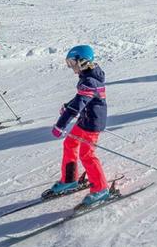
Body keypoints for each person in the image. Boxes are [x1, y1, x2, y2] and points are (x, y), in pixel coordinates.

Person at [44, 45, 109, 207]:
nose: (70, 67)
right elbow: (79, 99)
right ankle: (69, 179)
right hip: (85, 119)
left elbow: (78, 105)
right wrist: (68, 105)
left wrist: (61, 124)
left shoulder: (89, 81)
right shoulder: (88, 76)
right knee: (70, 143)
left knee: (87, 154)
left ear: (84, 62)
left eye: (72, 63)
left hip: (92, 123)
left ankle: (101, 189)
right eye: (69, 63)